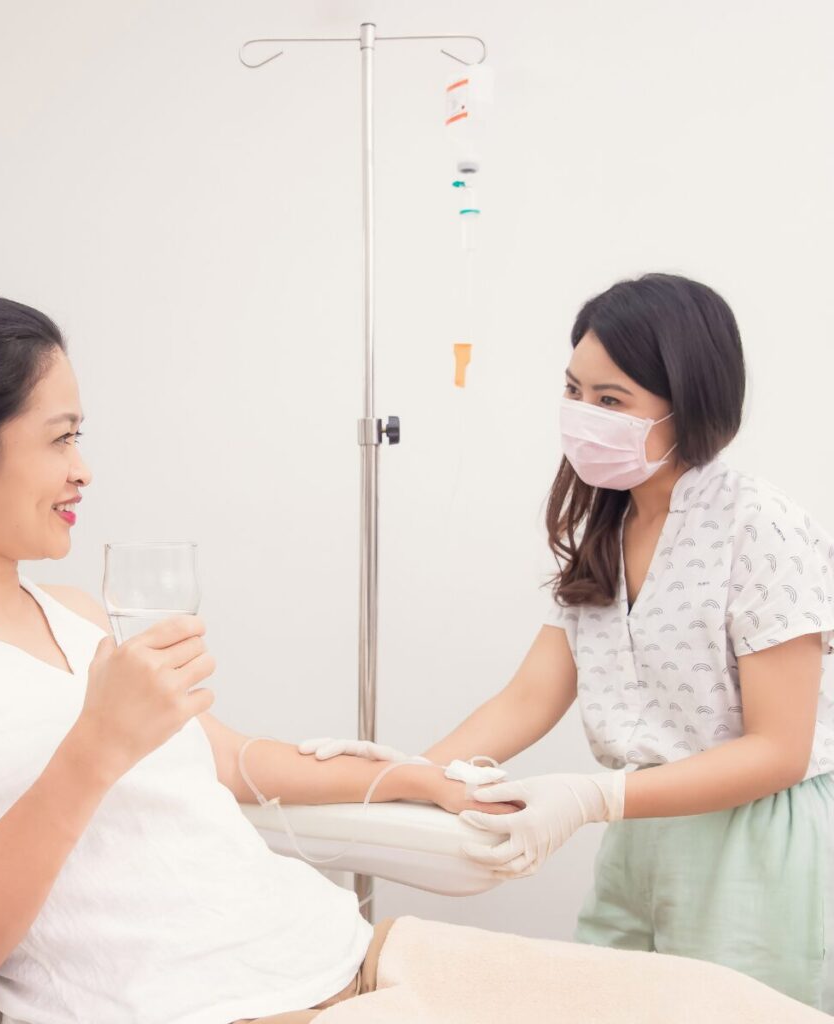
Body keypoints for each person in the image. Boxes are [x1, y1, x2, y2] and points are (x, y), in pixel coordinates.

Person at [0, 291, 828, 1024]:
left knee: (738, 1007)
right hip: (231, 1004)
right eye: (63, 437)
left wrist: (409, 775)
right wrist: (95, 746)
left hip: (354, 952)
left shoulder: (77, 612)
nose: (86, 470)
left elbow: (241, 759)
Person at [302, 273, 834, 1013]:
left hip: (751, 842)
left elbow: (778, 749)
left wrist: (589, 796)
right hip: (641, 834)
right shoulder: (606, 532)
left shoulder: (760, 528)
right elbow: (530, 696)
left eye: (611, 401)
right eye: (574, 391)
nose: (583, 416)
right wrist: (404, 775)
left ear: (692, 407)